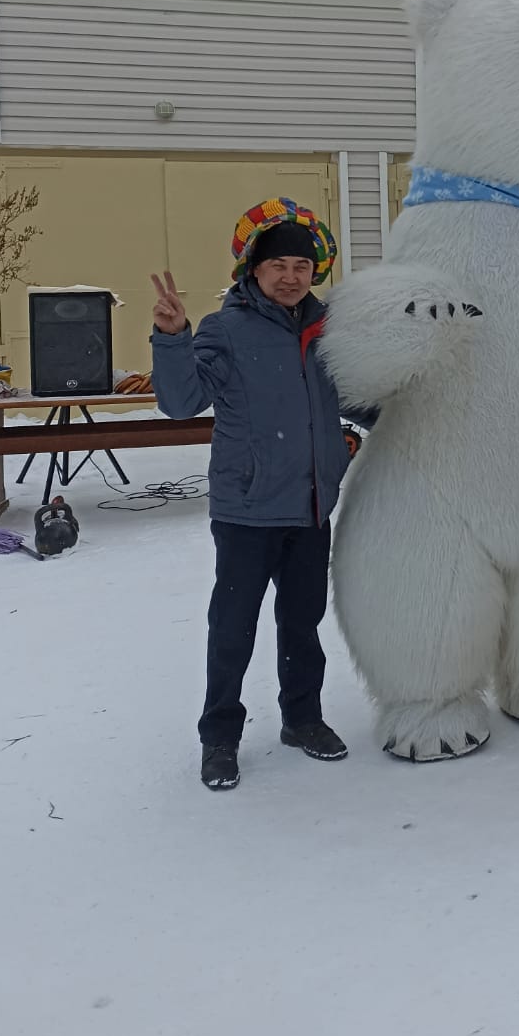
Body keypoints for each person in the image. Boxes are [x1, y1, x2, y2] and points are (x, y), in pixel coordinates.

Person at [150, 199, 354, 791]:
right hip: (248, 508)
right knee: (233, 626)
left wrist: (354, 436)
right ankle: (220, 737)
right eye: (278, 266)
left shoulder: (328, 330)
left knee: (302, 623)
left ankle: (303, 718)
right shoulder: (225, 329)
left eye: (301, 265)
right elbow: (181, 402)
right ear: (252, 271)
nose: (290, 276)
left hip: (313, 505)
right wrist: (171, 338)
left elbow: (360, 399)